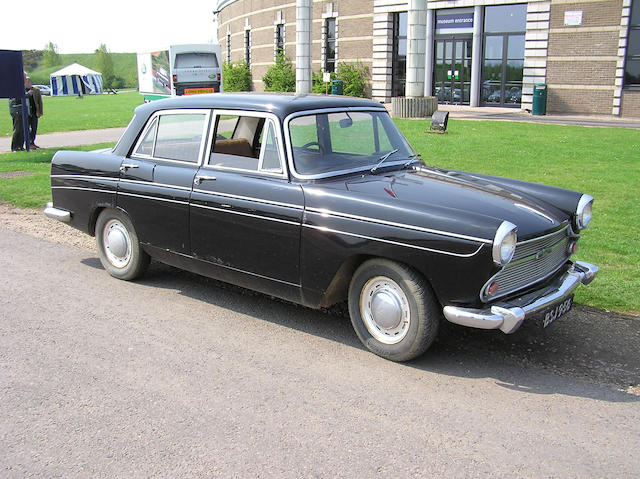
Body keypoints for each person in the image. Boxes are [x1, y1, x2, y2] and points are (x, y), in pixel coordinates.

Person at [25, 77, 43, 149]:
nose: (28, 83)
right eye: (27, 81)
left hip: (34, 112)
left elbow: (39, 102)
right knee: (27, 128)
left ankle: (32, 142)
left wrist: (40, 111)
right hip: (26, 113)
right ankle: (28, 143)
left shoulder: (35, 90)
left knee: (34, 128)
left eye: (29, 81)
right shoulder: (22, 91)